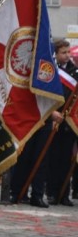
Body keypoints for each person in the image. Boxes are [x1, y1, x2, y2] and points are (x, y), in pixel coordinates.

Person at [46, 39, 77, 206]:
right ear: (56, 54)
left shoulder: (74, 71)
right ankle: (51, 192)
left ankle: (63, 194)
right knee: (53, 159)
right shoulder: (51, 70)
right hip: (53, 118)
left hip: (69, 122)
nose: (67, 55)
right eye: (63, 52)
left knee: (66, 159)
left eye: (68, 52)